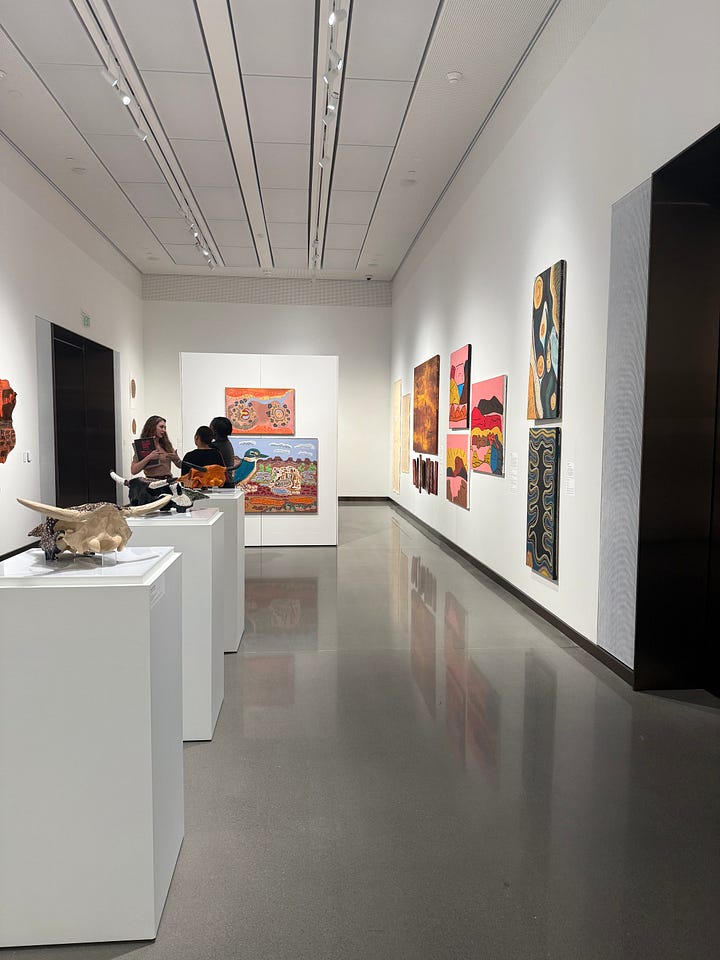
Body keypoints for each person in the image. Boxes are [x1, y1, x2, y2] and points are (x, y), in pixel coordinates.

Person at [131, 415, 183, 479]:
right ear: (152, 427)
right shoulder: (143, 446)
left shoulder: (166, 445)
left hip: (167, 481)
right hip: (152, 482)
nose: (164, 430)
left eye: (165, 428)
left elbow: (180, 466)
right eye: (161, 427)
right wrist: (149, 457)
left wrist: (177, 459)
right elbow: (133, 470)